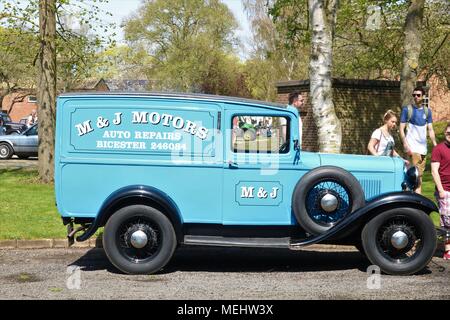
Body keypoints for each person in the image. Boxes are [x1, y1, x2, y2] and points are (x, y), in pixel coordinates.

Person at [399, 87, 437, 193]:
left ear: (423, 96)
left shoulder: (427, 111)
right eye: (414, 95)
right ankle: (411, 203)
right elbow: (401, 129)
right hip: (412, 149)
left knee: (419, 178)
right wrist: (405, 144)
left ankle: (417, 204)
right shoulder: (407, 110)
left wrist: (435, 145)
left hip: (423, 150)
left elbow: (430, 129)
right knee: (413, 178)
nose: (416, 97)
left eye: (418, 95)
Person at [431, 123, 450, 260]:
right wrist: (441, 190)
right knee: (447, 221)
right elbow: (434, 171)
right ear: (445, 134)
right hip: (445, 190)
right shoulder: (438, 149)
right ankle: (447, 250)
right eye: (448, 133)